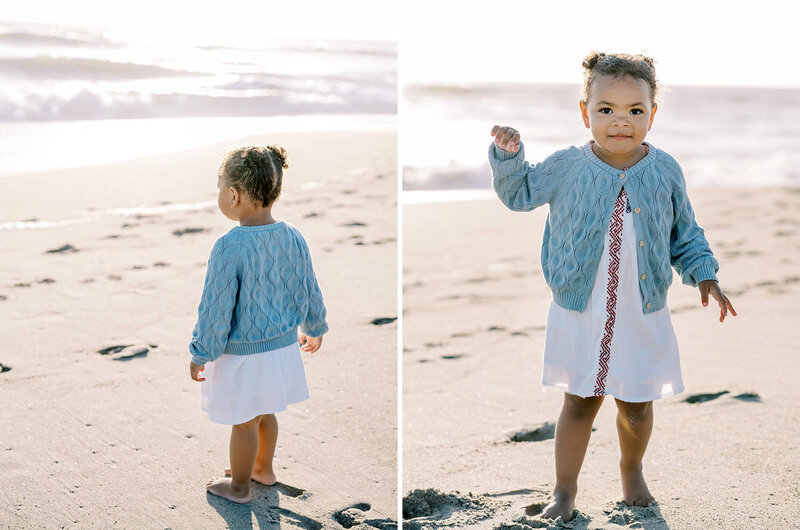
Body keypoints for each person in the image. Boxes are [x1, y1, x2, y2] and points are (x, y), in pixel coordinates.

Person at [489, 51, 737, 522]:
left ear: (652, 114)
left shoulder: (665, 170)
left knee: (637, 405)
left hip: (641, 310)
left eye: (634, 111)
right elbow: (519, 194)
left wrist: (705, 274)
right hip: (579, 309)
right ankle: (564, 491)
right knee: (579, 402)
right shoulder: (567, 165)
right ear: (585, 112)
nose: (620, 122)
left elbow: (685, 233)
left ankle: (632, 471)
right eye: (606, 110)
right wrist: (508, 158)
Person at [188, 145, 328, 503]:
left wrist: (201, 351)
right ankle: (262, 470)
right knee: (266, 412)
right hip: (282, 347)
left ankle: (238, 487)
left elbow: (215, 310)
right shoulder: (293, 234)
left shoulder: (229, 246)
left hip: (245, 354)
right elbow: (307, 284)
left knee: (244, 421)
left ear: (233, 195)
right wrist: (315, 325)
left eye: (220, 187)